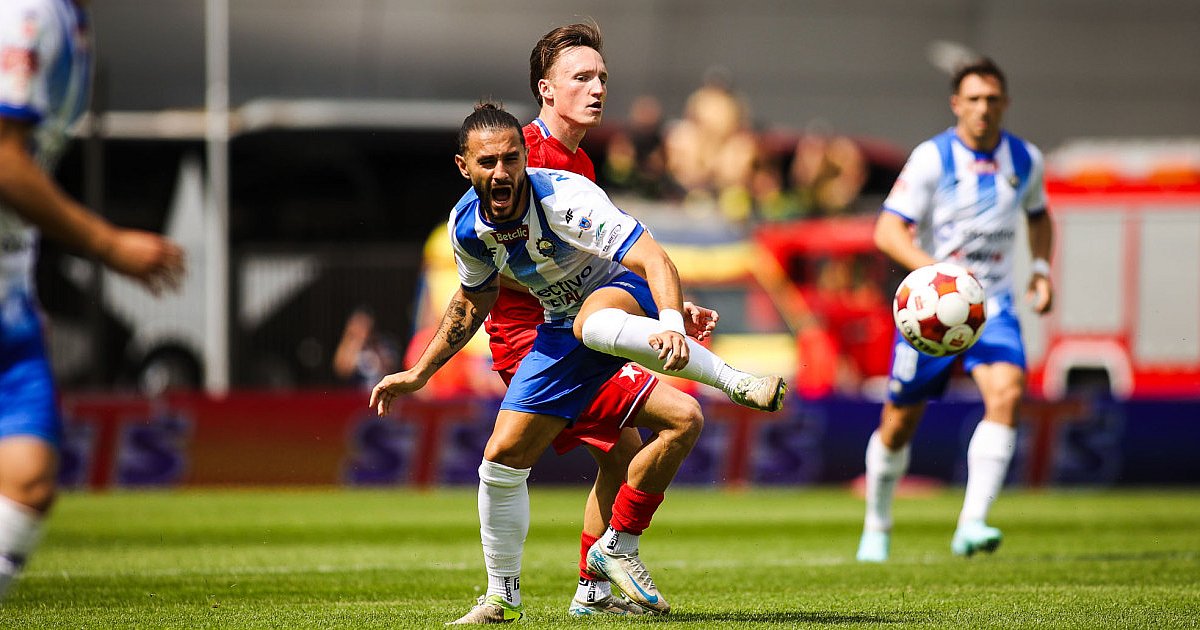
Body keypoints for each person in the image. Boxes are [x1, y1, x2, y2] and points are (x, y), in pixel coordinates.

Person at [370, 102, 786, 624]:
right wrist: (419, 373)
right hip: (561, 327)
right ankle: (504, 598)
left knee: (614, 347)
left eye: (511, 159)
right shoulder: (467, 229)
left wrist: (672, 323)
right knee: (499, 460)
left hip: (617, 291)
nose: (502, 173)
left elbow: (653, 259)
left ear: (524, 156)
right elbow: (473, 299)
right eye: (488, 163)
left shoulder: (565, 198)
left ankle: (735, 382)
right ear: (464, 167)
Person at [0, 0, 185, 599]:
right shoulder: (21, 14)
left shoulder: (67, 19)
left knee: (27, 482)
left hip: (8, 304)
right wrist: (108, 244)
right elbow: (2, 157)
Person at [855, 58, 1053, 563]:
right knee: (899, 423)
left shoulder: (1026, 160)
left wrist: (1042, 271)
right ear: (956, 104)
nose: (983, 107)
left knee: (1007, 393)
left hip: (995, 306)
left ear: (1004, 103)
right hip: (930, 310)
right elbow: (887, 231)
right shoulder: (932, 159)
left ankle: (973, 522)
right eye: (974, 98)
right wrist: (941, 279)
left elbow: (1039, 217)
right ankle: (877, 525)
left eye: (992, 98)